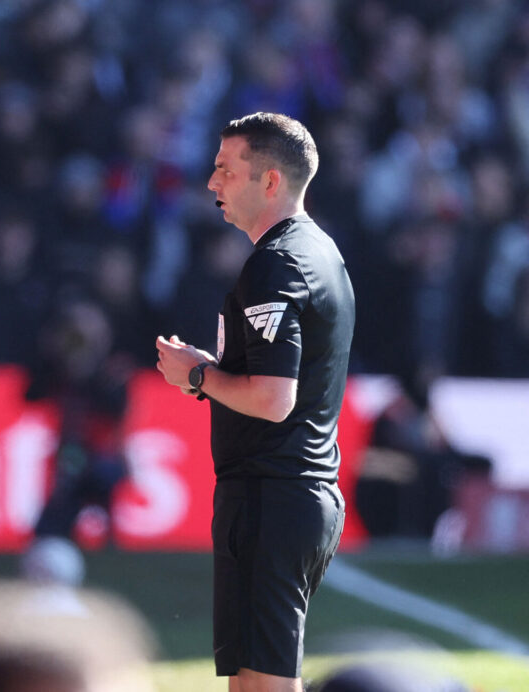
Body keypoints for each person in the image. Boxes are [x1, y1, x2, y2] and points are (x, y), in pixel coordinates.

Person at [156, 112, 355, 692]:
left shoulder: (277, 263)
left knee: (265, 685)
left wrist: (196, 376)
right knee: (251, 683)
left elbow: (273, 399)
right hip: (291, 494)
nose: (211, 182)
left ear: (269, 181)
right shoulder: (318, 251)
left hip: (276, 495)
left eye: (225, 168)